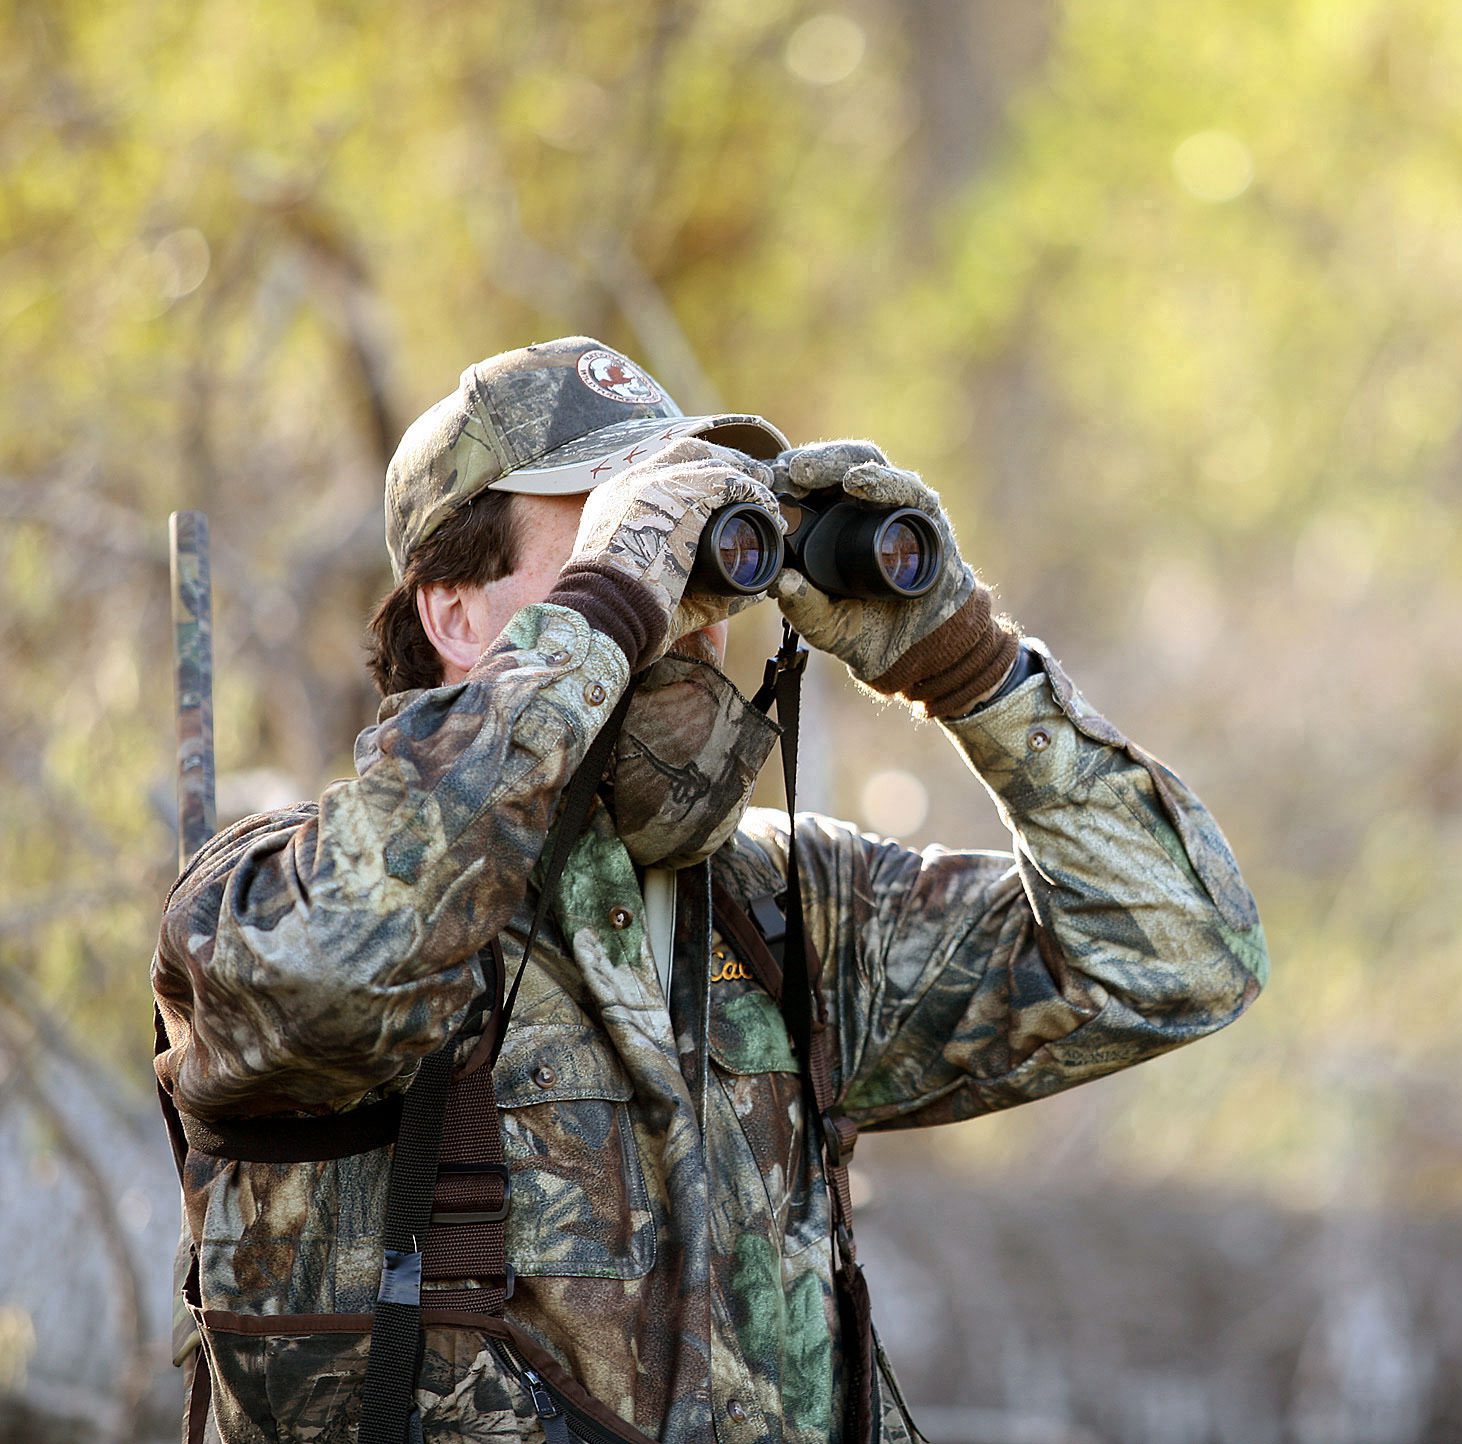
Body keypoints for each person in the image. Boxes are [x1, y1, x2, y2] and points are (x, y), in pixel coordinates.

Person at [153, 336, 1268, 1444]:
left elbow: (1180, 954)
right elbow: (350, 954)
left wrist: (966, 665)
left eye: (696, 539)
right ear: (454, 612)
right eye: (621, 528)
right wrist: (609, 603)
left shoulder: (791, 904)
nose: (683, 599)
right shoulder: (262, 900)